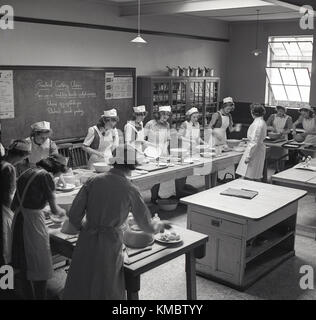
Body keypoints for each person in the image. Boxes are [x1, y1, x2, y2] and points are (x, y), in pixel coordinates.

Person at [62, 144, 170, 300]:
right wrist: (159, 225)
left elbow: (74, 215)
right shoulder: (130, 188)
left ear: (113, 161)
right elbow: (145, 225)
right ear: (133, 165)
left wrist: (87, 225)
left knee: (82, 278)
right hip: (110, 242)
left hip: (87, 238)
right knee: (106, 282)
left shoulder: (93, 181)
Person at [11, 154, 68, 300]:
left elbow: (15, 204)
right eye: (61, 173)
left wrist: (39, 208)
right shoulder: (45, 177)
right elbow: (56, 210)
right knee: (39, 263)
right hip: (32, 224)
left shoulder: (27, 172)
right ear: (57, 169)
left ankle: (28, 296)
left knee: (24, 264)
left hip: (18, 220)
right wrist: (66, 214)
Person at [1, 140, 31, 266]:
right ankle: (6, 280)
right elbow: (9, 195)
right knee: (5, 246)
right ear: (20, 156)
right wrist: (12, 212)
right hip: (3, 209)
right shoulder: (9, 168)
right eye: (24, 158)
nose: (22, 162)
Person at [144, 106, 171, 204]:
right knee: (152, 175)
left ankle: (155, 196)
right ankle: (151, 196)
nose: (166, 117)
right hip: (151, 152)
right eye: (164, 114)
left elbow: (167, 139)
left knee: (159, 176)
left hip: (163, 152)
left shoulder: (167, 125)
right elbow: (142, 139)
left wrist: (164, 149)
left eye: (168, 115)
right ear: (158, 114)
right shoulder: (150, 124)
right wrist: (151, 146)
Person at [175, 107, 204, 197]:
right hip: (184, 149)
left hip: (193, 150)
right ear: (189, 117)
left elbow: (197, 138)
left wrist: (204, 142)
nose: (196, 119)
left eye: (197, 117)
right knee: (181, 170)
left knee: (187, 170)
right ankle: (179, 190)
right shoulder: (185, 124)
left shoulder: (197, 124)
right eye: (194, 117)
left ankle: (182, 188)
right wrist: (189, 141)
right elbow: (178, 136)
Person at [236, 103, 267, 181]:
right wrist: (248, 139)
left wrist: (248, 156)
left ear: (253, 112)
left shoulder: (258, 123)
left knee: (250, 174)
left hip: (254, 151)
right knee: (253, 173)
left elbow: (254, 142)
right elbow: (256, 138)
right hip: (257, 149)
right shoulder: (260, 121)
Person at [266, 105, 293, 172]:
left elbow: (289, 129)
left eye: (282, 111)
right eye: (279, 111)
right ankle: (276, 169)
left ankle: (281, 170)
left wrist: (283, 132)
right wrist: (271, 128)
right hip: (274, 137)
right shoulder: (272, 116)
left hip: (283, 138)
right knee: (275, 156)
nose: (280, 112)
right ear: (277, 110)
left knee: (282, 156)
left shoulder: (288, 118)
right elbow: (266, 125)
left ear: (284, 111)